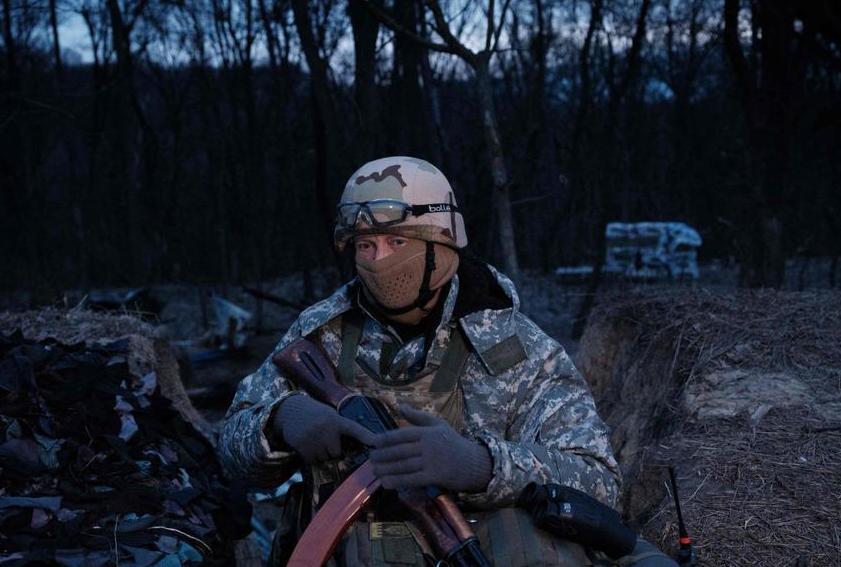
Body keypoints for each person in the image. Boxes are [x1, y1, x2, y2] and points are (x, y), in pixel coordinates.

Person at [219, 156, 619, 513]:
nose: (380, 262)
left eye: (397, 241)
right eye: (365, 245)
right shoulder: (320, 333)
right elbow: (231, 456)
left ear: (442, 243)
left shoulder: (516, 348)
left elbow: (599, 481)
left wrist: (483, 466)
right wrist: (277, 422)